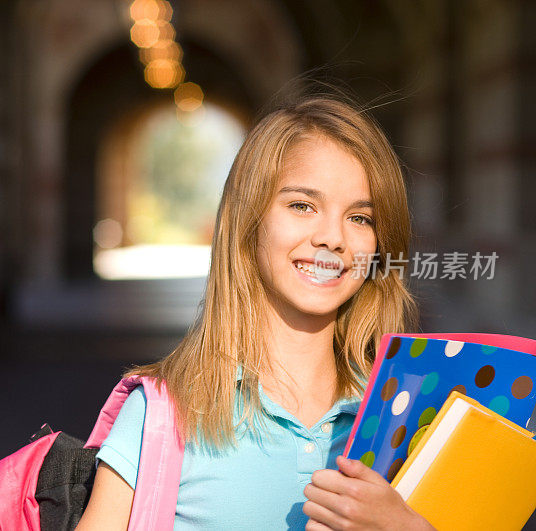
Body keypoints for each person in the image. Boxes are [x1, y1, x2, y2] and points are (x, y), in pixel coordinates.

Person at [76, 94, 435, 530]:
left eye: (361, 218)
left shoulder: (410, 415)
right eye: (302, 205)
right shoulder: (162, 415)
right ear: (250, 219)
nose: (333, 238)